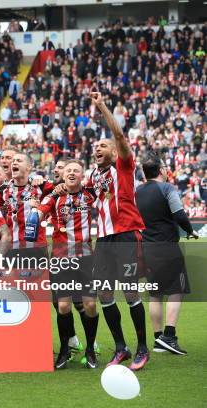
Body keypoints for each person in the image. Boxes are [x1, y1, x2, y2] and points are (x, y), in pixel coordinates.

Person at [85, 91, 149, 371]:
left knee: (131, 292)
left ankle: (143, 348)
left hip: (126, 235)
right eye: (95, 147)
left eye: (103, 146)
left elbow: (121, 138)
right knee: (104, 294)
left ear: (113, 151)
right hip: (105, 240)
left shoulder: (123, 166)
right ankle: (121, 347)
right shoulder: (93, 176)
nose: (97, 149)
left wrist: (102, 107)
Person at [36, 160, 99, 369]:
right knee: (63, 306)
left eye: (76, 170)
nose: (71, 173)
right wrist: (35, 210)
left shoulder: (90, 194)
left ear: (82, 175)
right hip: (61, 259)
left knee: (90, 305)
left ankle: (90, 349)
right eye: (68, 170)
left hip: (85, 258)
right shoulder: (55, 196)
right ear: (62, 174)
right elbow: (40, 211)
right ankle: (64, 349)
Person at [136, 152, 198, 355]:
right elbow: (179, 214)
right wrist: (190, 231)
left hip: (147, 247)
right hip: (167, 247)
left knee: (155, 294)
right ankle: (169, 337)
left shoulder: (137, 191)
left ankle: (157, 339)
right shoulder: (167, 188)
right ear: (161, 170)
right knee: (176, 290)